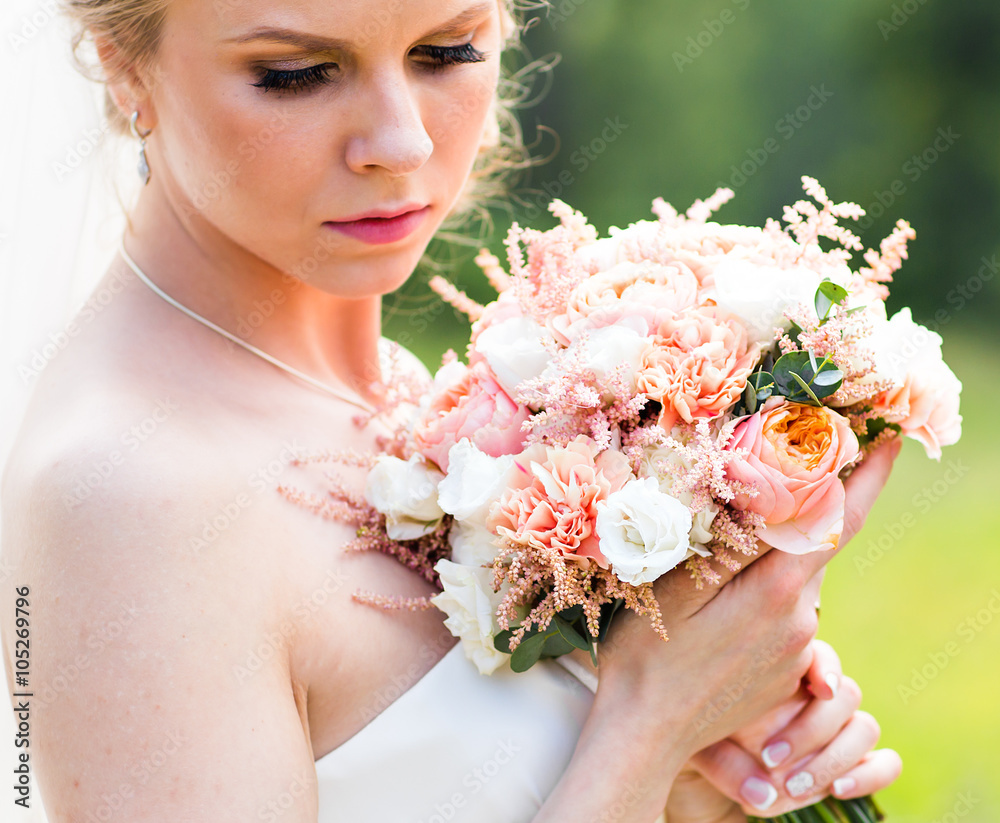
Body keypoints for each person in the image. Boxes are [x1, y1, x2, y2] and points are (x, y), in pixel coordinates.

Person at [0, 1, 902, 820]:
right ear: (123, 63)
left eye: (446, 51)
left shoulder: (398, 391)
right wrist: (650, 724)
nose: (401, 142)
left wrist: (702, 778)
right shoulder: (128, 499)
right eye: (295, 73)